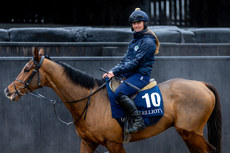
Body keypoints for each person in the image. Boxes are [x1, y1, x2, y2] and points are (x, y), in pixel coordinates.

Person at [102, 8, 160, 133]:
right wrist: (112, 71)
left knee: (120, 93)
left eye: (139, 22)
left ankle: (138, 121)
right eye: (134, 23)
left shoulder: (148, 42)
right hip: (131, 74)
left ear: (145, 23)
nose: (136, 25)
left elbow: (135, 63)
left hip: (140, 76)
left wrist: (116, 72)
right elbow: (125, 61)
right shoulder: (134, 41)